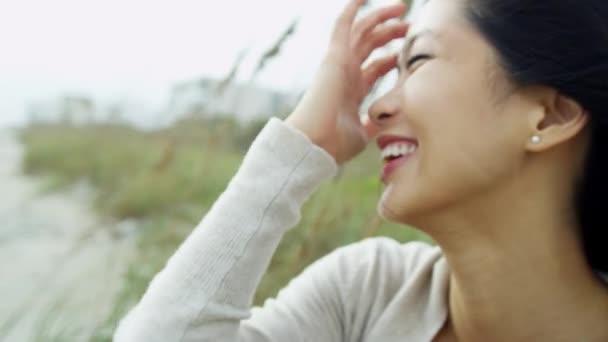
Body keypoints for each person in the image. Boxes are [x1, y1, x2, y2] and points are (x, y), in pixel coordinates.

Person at [114, 0, 608, 340]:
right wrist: (300, 145)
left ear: (550, 116)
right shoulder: (366, 293)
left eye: (418, 61)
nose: (376, 108)